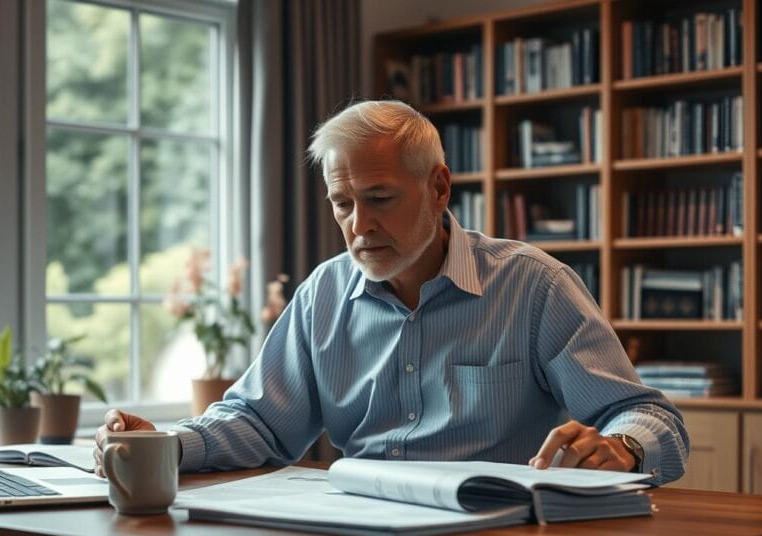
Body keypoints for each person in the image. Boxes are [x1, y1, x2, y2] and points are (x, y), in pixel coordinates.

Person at [94, 100, 689, 484]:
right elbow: (261, 424)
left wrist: (624, 448)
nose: (358, 225)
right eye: (342, 204)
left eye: (379, 199)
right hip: (360, 535)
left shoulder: (534, 286)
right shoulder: (322, 295)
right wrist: (168, 442)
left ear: (438, 187)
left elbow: (643, 414)